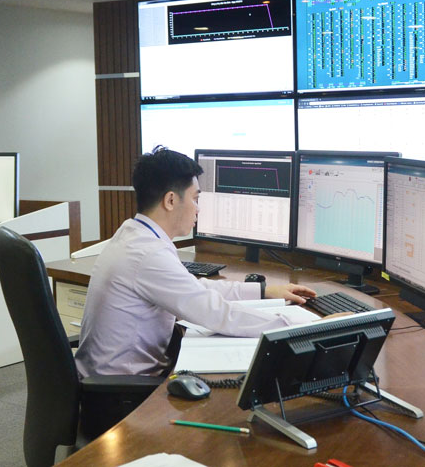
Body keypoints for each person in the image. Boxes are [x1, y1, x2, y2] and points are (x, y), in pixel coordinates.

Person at [75, 147, 319, 378]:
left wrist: (263, 291)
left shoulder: (134, 234)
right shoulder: (148, 254)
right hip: (125, 391)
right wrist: (303, 326)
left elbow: (195, 288)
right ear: (171, 200)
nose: (198, 209)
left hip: (112, 377)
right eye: (195, 198)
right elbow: (216, 313)